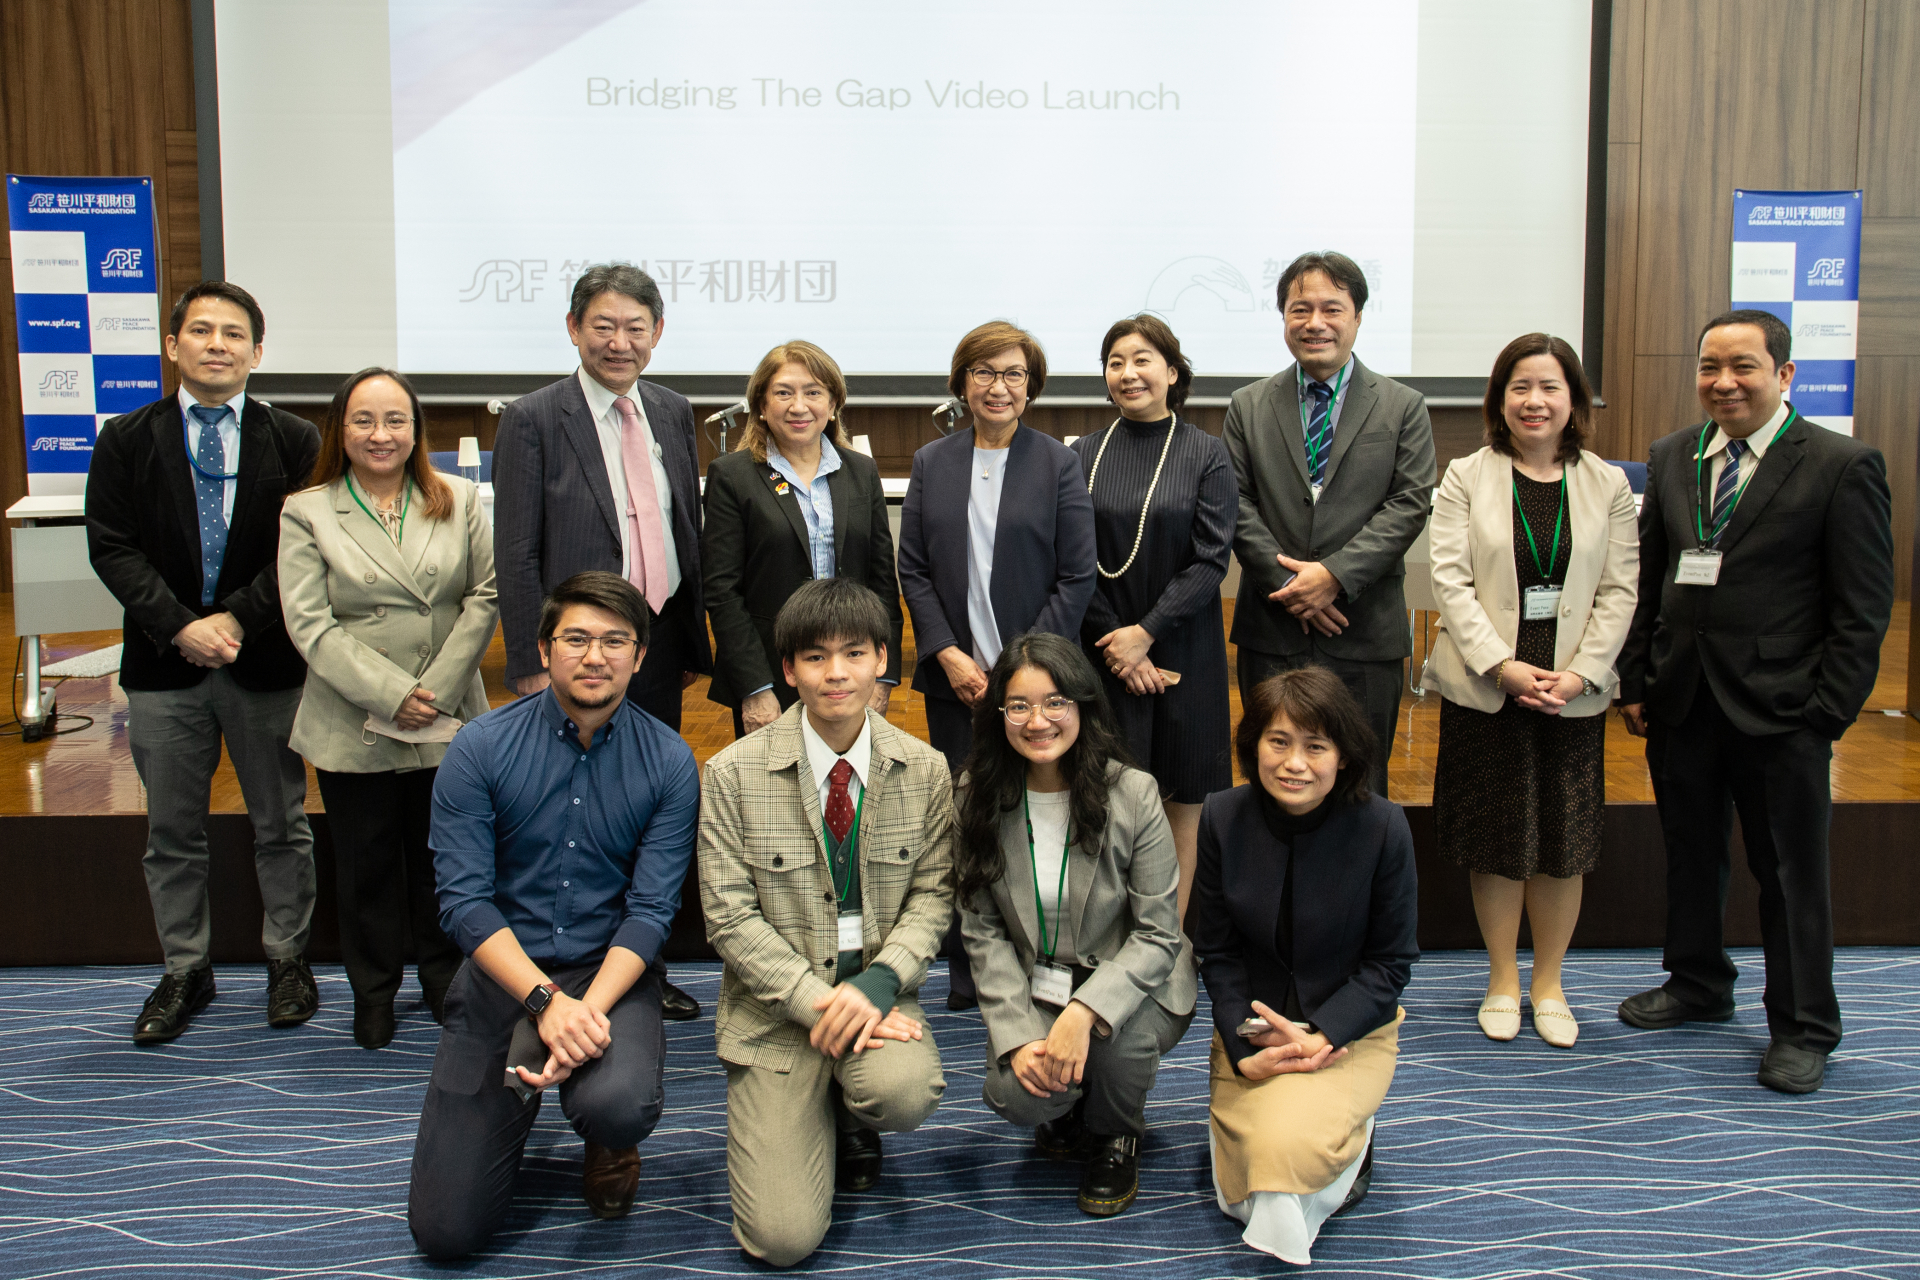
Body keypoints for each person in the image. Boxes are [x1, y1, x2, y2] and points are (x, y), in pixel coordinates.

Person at [1615, 310, 1894, 1095]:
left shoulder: (1841, 465)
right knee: (1691, 855)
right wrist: (1638, 681)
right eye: (1710, 366)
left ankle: (1804, 1025)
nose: (1724, 382)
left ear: (1785, 375)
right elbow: (1653, 581)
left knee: (1790, 872)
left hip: (1784, 714)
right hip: (1683, 702)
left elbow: (1862, 609)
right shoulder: (1673, 456)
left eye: (1743, 366)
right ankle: (1699, 982)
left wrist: (1825, 714)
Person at [408, 572, 698, 1256]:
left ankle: (606, 1140)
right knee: (446, 1232)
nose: (595, 656)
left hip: (606, 974)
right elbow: (464, 902)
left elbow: (652, 911)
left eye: (614, 641)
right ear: (544, 649)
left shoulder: (669, 762)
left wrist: (581, 1012)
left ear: (640, 655)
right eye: (576, 638)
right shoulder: (479, 749)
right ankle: (517, 1091)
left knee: (617, 1101)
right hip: (502, 971)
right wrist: (544, 1002)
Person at [85, 281, 321, 1045]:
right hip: (164, 666)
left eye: (234, 334)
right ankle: (185, 967)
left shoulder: (294, 440)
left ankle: (288, 958)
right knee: (172, 830)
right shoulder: (126, 437)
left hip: (265, 662)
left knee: (282, 823)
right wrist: (182, 626)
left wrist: (236, 619)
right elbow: (112, 547)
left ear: (258, 352)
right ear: (172, 345)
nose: (217, 344)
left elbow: (304, 549)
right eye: (201, 331)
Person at [698, 578, 954, 1267]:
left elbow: (933, 898)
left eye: (853, 654)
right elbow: (728, 919)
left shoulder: (926, 771)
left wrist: (875, 987)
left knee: (903, 1092)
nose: (835, 673)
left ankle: (850, 1109)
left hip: (877, 995)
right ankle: (810, 1108)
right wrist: (822, 1004)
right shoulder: (730, 775)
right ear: (788, 671)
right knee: (781, 1242)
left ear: (881, 664)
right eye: (814, 658)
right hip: (777, 1016)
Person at [492, 261, 707, 1022]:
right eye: (604, 326)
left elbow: (682, 526)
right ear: (575, 329)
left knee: (650, 808)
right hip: (576, 654)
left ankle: (646, 965)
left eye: (636, 328)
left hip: (653, 647)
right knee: (570, 813)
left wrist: (681, 646)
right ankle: (555, 968)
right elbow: (515, 552)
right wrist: (527, 661)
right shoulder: (532, 417)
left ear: (656, 335)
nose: (620, 342)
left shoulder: (674, 411)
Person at [1423, 335, 1638, 1048]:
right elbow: (1448, 582)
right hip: (1491, 689)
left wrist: (1581, 675)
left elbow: (1620, 590)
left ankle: (1549, 981)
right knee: (1498, 839)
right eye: (1520, 386)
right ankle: (1502, 980)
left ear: (1573, 398)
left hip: (1571, 693)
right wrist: (1500, 666)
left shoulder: (1608, 484)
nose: (1534, 401)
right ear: (1500, 398)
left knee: (1562, 842)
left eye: (1549, 386)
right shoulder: (1465, 476)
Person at [278, 367, 498, 1049]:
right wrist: (390, 694)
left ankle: (443, 980)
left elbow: (484, 596)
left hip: (445, 709)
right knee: (365, 862)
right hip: (355, 717)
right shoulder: (307, 510)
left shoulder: (460, 498)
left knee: (444, 858)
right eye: (364, 421)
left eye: (395, 421)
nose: (381, 435)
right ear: (340, 430)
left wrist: (433, 689)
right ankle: (372, 993)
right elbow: (310, 624)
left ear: (415, 429)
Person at [955, 632, 1195, 1217]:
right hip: (1038, 982)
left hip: (1138, 978)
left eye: (1056, 702)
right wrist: (1018, 1035)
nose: (1038, 721)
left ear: (1083, 707)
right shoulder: (975, 796)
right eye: (1019, 705)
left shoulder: (1133, 794)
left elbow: (1159, 933)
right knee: (1016, 1092)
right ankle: (1069, 1107)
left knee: (1117, 1047)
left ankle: (1116, 1133)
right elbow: (982, 930)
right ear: (999, 714)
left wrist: (1085, 1013)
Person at [1187, 667, 1418, 1266]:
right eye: (1279, 741)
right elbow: (1216, 952)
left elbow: (1390, 966)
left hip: (1349, 1032)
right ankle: (1343, 1149)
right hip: (1255, 1029)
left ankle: (1347, 1140)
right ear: (1253, 746)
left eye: (1316, 746)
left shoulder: (1384, 827)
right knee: (1261, 1172)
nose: (1295, 763)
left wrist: (1323, 1035)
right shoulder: (1221, 817)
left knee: (1275, 1157)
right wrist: (1244, 1043)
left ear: (1343, 757)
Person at [898, 319, 1096, 1008]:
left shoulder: (1057, 462)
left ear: (1031, 386)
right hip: (956, 682)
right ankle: (967, 958)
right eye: (984, 372)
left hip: (1033, 684)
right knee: (966, 812)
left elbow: (1077, 577)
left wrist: (1022, 672)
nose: (998, 386)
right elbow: (914, 569)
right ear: (962, 382)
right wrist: (947, 654)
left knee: (1036, 810)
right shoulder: (933, 462)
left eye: (1013, 374)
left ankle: (1039, 949)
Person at [1224, 252, 1436, 797]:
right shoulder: (1247, 405)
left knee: (1361, 786)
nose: (1315, 322)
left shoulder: (1402, 406)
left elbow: (1410, 503)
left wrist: (1335, 576)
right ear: (1284, 319)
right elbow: (1236, 502)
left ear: (1358, 317)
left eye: (1331, 308)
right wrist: (1294, 587)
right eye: (1300, 309)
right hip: (1273, 631)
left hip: (1363, 631)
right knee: (1271, 783)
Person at [1070, 316, 1234, 917]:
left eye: (1142, 359)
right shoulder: (1082, 454)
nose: (1128, 373)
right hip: (1100, 652)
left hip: (1183, 650)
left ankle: (1171, 937)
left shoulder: (1206, 453)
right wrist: (1118, 643)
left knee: (1181, 803)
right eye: (1115, 361)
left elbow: (1211, 559)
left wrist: (1145, 635)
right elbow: (1070, 560)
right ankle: (1108, 935)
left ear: (1172, 371)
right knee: (1105, 798)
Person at [702, 340, 902, 737]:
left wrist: (885, 673)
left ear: (832, 405)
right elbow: (722, 592)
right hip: (771, 670)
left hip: (851, 668)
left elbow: (882, 582)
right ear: (761, 405)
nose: (799, 406)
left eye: (813, 392)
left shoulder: (861, 471)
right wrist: (754, 687)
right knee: (774, 792)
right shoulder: (732, 476)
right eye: (783, 393)